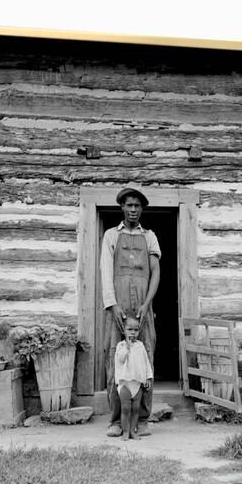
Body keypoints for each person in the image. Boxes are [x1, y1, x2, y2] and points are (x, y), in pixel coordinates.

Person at [100, 187, 161, 437]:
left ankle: (143, 419)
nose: (133, 210)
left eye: (137, 206)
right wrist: (112, 304)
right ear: (122, 208)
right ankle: (116, 421)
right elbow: (105, 271)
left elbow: (155, 272)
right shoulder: (111, 236)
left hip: (143, 307)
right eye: (129, 205)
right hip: (117, 306)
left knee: (145, 358)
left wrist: (147, 303)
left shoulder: (150, 236)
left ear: (142, 209)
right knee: (115, 358)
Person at [115, 317, 153, 441]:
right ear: (124, 331)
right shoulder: (121, 345)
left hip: (137, 383)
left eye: (135, 330)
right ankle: (125, 431)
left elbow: (146, 362)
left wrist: (147, 377)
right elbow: (120, 359)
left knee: (136, 409)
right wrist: (127, 346)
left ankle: (132, 430)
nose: (133, 332)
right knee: (126, 408)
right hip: (125, 383)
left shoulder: (140, 346)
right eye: (129, 329)